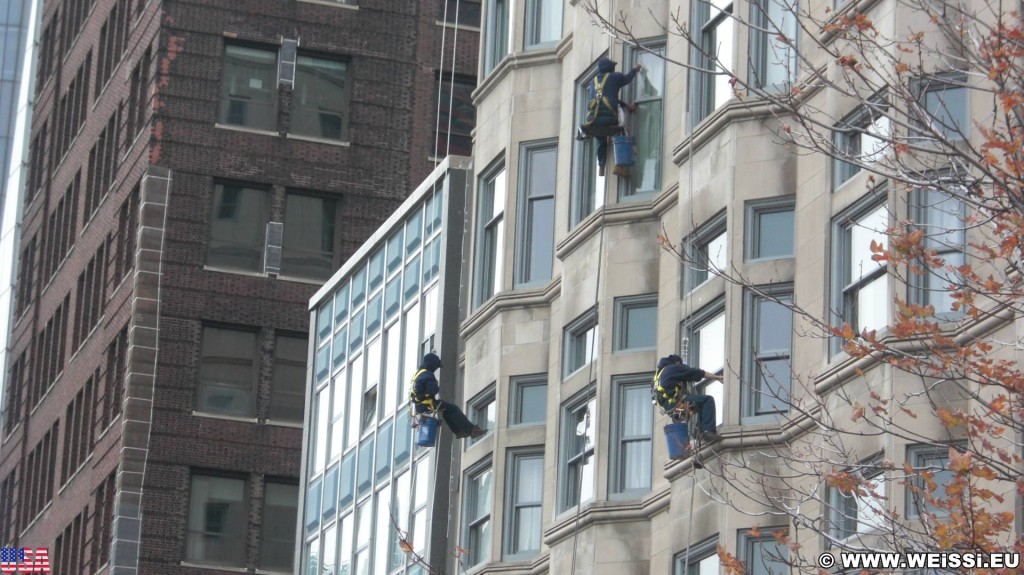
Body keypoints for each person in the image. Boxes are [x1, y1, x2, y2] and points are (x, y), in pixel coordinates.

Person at [579, 56, 642, 176]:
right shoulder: (615, 77)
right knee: (621, 131)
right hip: (611, 120)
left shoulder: (593, 82)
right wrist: (635, 70)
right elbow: (627, 79)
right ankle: (620, 166)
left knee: (601, 139)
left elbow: (606, 99)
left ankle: (601, 165)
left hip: (594, 121)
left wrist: (626, 105)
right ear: (609, 68)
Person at [409, 352, 486, 439]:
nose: (436, 369)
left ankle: (459, 432)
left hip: (419, 406)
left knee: (447, 411)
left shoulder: (417, 374)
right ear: (432, 365)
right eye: (436, 367)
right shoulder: (427, 374)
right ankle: (471, 430)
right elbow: (433, 390)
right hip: (428, 405)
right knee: (453, 409)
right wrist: (435, 384)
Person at [653, 354, 723, 441]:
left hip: (671, 410)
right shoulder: (674, 368)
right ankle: (707, 431)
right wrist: (716, 377)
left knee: (700, 404)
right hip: (677, 405)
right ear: (677, 362)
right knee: (707, 400)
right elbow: (697, 373)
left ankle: (698, 433)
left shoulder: (657, 377)